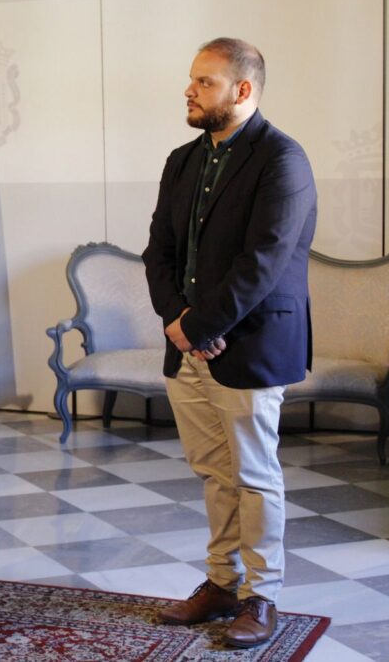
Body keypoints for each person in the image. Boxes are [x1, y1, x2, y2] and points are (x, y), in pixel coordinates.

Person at [142, 38, 317, 648]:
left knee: (254, 475)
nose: (189, 91)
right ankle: (221, 584)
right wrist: (177, 320)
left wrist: (199, 328)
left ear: (242, 90)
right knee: (214, 473)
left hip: (250, 344)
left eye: (204, 82)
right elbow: (158, 252)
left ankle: (261, 596)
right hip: (189, 343)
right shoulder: (182, 160)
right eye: (191, 79)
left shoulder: (282, 159)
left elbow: (262, 262)